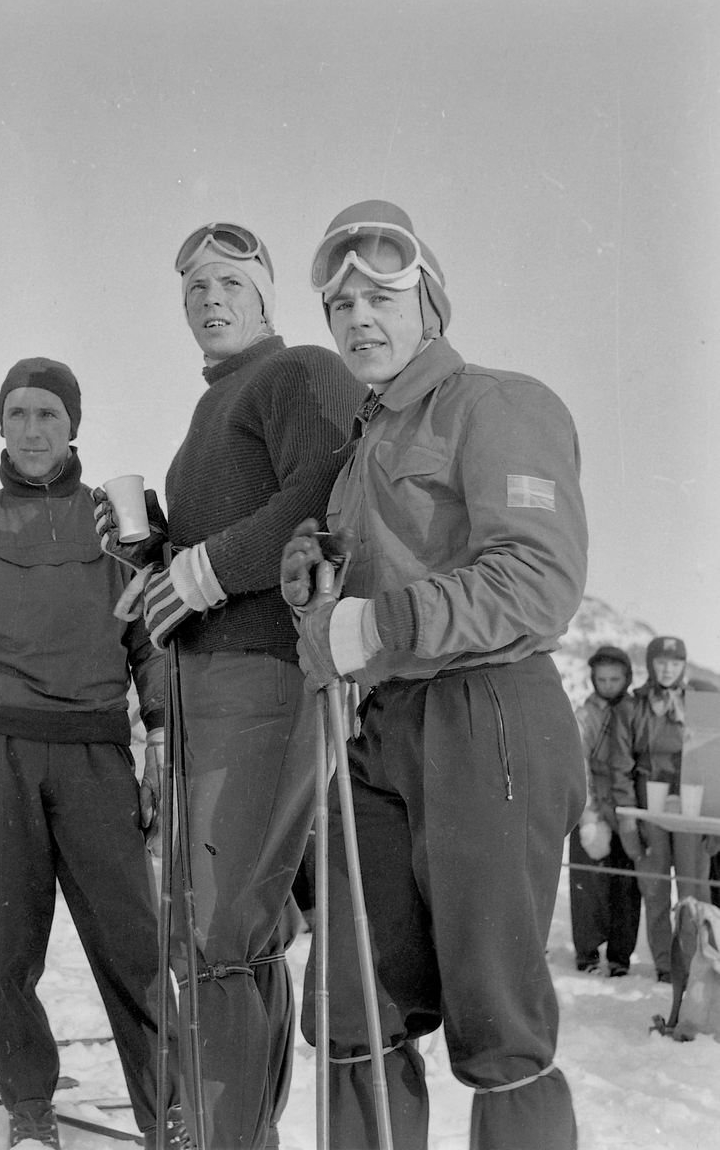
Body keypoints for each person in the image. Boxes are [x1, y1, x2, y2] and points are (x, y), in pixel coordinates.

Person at [281, 200, 587, 1149]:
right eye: (341, 306)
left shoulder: (496, 404)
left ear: (431, 306)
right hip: (386, 726)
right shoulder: (360, 450)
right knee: (350, 1005)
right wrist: (312, 560)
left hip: (487, 709)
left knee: (498, 1015)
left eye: (383, 296)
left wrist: (377, 620)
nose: (360, 319)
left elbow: (538, 578)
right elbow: (349, 595)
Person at [97, 223, 363, 1150]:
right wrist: (155, 548)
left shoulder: (303, 373)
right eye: (194, 290)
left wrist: (203, 570)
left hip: (265, 673)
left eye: (229, 283)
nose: (210, 299)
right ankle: (236, 1128)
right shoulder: (215, 407)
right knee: (225, 929)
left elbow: (330, 486)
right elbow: (226, 541)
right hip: (211, 680)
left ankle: (224, 1137)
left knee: (215, 936)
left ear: (265, 297)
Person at [0, 358, 184, 1150]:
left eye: (49, 416)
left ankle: (171, 1110)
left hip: (95, 753)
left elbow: (152, 642)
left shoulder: (117, 527)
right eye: (19, 414)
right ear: (0, 424)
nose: (33, 430)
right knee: (6, 949)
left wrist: (162, 736)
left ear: (74, 428)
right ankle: (31, 1114)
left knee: (133, 945)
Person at [611, 636, 712, 984]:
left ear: (684, 665)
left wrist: (713, 822)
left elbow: (713, 764)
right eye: (661, 662)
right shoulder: (632, 707)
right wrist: (627, 822)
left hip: (691, 805)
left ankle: (697, 961)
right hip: (648, 803)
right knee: (654, 890)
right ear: (651, 664)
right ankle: (666, 967)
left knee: (693, 889)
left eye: (675, 662)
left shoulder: (700, 705)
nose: (667, 669)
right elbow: (620, 768)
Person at [569, 646, 642, 976]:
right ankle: (586, 952)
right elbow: (578, 766)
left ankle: (620, 956)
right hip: (592, 804)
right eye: (602, 679)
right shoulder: (585, 715)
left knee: (626, 887)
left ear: (627, 678)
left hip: (626, 805)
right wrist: (589, 815)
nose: (609, 685)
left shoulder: (633, 711)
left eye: (616, 678)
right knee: (587, 884)